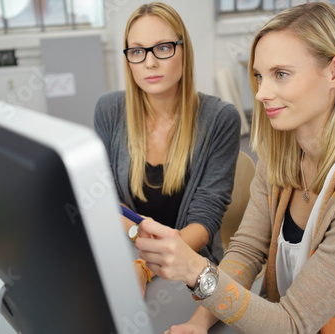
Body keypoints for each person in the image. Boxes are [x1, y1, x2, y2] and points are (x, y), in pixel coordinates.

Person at [135, 2, 335, 333]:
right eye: (258, 76)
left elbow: (294, 324)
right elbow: (247, 250)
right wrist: (198, 324)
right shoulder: (280, 155)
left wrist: (197, 271)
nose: (262, 93)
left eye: (280, 74)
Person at [94, 2, 240, 295]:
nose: (149, 63)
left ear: (184, 50)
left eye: (162, 48)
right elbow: (105, 196)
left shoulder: (220, 119)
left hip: (190, 267)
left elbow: (204, 220)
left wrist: (147, 267)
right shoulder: (109, 109)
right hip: (125, 253)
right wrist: (139, 236)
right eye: (137, 51)